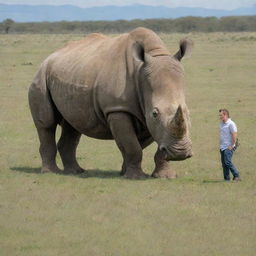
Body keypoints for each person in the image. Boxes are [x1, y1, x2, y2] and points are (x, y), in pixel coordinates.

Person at [219, 109, 241, 181]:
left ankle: (236, 175)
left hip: (229, 146)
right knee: (224, 164)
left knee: (227, 162)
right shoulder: (221, 123)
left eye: (221, 115)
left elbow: (234, 134)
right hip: (223, 146)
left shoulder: (231, 124)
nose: (220, 117)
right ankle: (226, 179)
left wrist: (232, 145)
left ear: (226, 115)